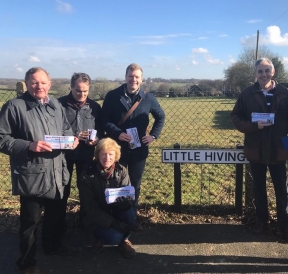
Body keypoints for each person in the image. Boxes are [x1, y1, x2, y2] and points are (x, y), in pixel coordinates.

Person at [0, 67, 79, 274]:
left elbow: (65, 129)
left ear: (50, 84)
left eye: (43, 82)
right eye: (34, 82)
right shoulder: (14, 107)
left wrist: (71, 140)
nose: (39, 86)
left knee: (56, 215)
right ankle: (27, 263)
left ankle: (52, 246)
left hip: (56, 171)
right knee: (30, 222)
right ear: (26, 84)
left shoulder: (55, 105)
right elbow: (2, 138)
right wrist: (28, 146)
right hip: (31, 174)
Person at [231, 58, 288, 242]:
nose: (264, 74)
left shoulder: (284, 93)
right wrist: (253, 126)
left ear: (273, 72)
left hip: (278, 149)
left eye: (267, 70)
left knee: (281, 189)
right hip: (256, 149)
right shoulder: (247, 93)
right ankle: (262, 220)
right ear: (255, 73)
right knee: (258, 188)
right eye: (260, 71)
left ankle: (285, 224)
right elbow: (235, 116)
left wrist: (287, 127)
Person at [101, 63, 165, 229]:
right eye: (131, 76)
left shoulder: (148, 98)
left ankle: (132, 217)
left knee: (135, 184)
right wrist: (117, 133)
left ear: (141, 79)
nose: (133, 79)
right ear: (126, 77)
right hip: (117, 149)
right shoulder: (112, 96)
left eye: (137, 77)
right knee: (115, 182)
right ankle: (113, 217)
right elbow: (104, 120)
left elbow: (161, 117)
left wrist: (153, 136)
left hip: (139, 149)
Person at [78, 138, 136, 258]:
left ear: (116, 156)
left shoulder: (122, 171)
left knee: (130, 213)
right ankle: (96, 236)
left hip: (115, 211)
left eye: (111, 154)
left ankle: (124, 240)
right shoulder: (87, 175)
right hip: (95, 217)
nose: (107, 158)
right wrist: (113, 223)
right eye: (103, 154)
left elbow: (129, 195)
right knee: (114, 237)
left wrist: (125, 205)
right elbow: (90, 208)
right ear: (97, 155)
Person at [58, 72, 103, 226]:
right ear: (71, 87)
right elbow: (52, 131)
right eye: (78, 90)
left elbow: (101, 131)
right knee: (63, 190)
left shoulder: (95, 107)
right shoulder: (58, 105)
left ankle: (85, 221)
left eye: (85, 91)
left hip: (86, 155)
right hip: (63, 156)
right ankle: (59, 222)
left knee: (86, 190)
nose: (82, 94)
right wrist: (74, 137)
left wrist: (95, 141)